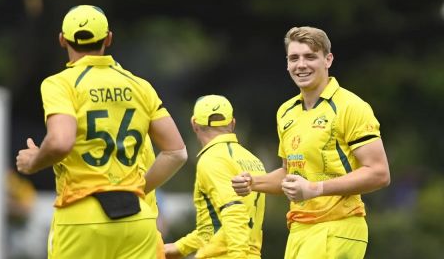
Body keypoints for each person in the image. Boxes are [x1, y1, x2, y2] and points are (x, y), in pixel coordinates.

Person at [15, 5, 187, 259]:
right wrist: (136, 189)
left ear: (62, 39)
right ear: (108, 38)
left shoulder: (60, 84)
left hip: (82, 215)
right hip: (136, 219)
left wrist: (34, 161)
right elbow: (177, 152)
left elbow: (61, 142)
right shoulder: (140, 86)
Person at [232, 26, 390, 259]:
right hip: (299, 230)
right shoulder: (286, 112)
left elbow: (379, 173)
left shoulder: (350, 106)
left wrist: (315, 189)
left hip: (338, 227)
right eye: (294, 58)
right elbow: (290, 174)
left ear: (328, 60)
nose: (301, 65)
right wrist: (254, 182)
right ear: (286, 63)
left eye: (310, 56)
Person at [165, 95, 266, 259]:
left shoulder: (211, 159)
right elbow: (213, 228)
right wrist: (179, 248)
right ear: (233, 123)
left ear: (194, 124)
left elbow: (234, 211)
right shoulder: (253, 160)